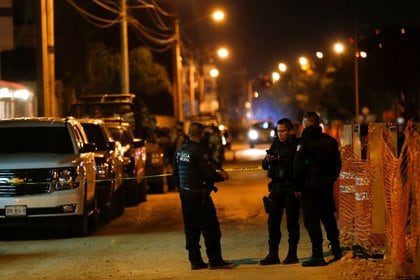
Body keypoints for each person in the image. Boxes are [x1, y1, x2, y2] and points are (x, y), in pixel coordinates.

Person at [172, 122, 234, 270]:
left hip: (185, 195)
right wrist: (222, 176)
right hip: (199, 196)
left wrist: (182, 191)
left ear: (188, 133)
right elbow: (209, 174)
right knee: (211, 229)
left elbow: (175, 176)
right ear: (202, 134)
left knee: (191, 229)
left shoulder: (180, 151)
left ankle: (195, 261)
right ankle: (215, 260)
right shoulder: (200, 151)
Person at [293, 111, 343, 267]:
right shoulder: (331, 141)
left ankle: (317, 255)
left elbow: (298, 167)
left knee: (311, 221)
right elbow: (337, 164)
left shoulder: (303, 143)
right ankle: (336, 250)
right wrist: (330, 179)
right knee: (328, 219)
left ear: (306, 124)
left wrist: (298, 186)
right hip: (326, 187)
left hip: (309, 188)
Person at [259, 118, 300, 265]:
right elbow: (264, 165)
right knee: (273, 222)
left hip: (290, 187)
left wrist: (298, 187)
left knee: (292, 222)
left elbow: (300, 168)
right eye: (278, 131)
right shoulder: (275, 144)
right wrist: (268, 160)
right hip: (276, 187)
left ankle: (292, 253)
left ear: (290, 131)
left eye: (283, 131)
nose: (280, 134)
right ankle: (273, 254)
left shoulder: (297, 145)